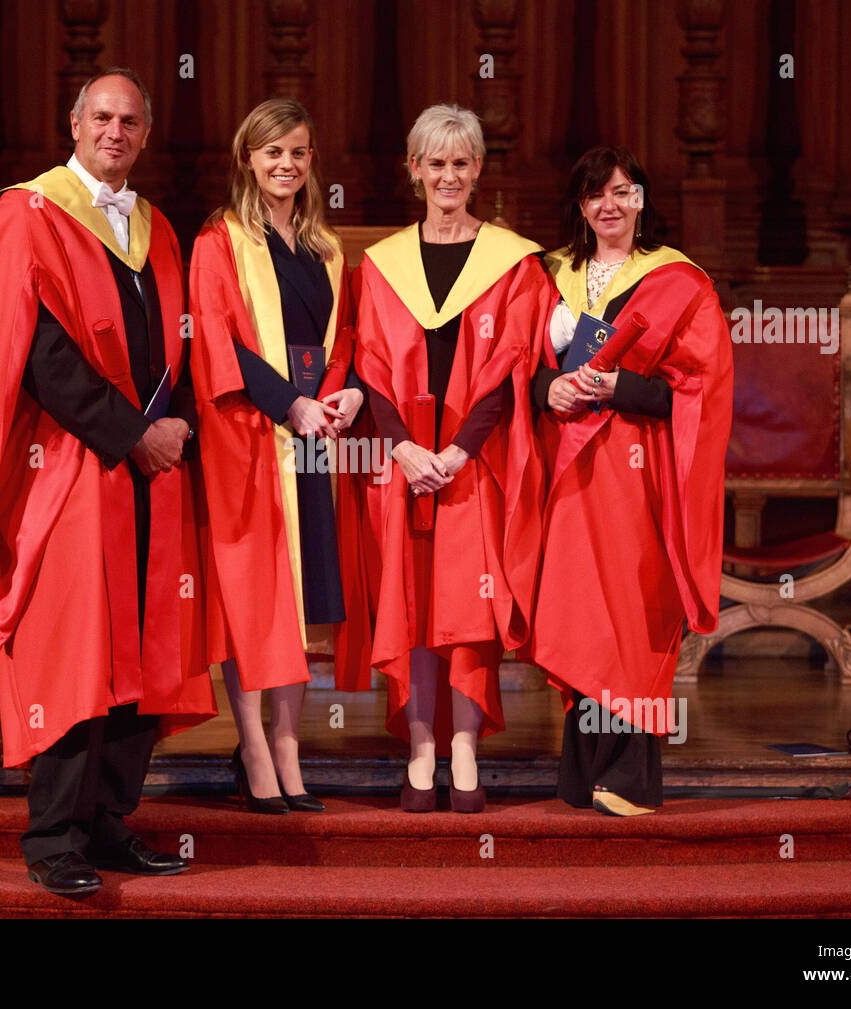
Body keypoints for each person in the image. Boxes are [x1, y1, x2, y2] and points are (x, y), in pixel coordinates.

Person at [0, 67, 217, 895]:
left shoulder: (156, 228)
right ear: (73, 124)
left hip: (149, 469)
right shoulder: (25, 215)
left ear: (144, 134)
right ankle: (54, 838)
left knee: (140, 650)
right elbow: (35, 353)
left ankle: (110, 821)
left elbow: (178, 346)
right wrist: (129, 434)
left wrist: (172, 426)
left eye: (130, 121)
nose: (115, 131)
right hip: (73, 466)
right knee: (80, 649)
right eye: (101, 117)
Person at [354, 104, 549, 813]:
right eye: (435, 162)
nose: (448, 175)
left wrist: (460, 451)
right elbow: (370, 365)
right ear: (414, 170)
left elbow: (510, 372)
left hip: (473, 462)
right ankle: (420, 747)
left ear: (477, 170)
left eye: (461, 162)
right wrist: (404, 446)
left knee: (469, 604)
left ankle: (464, 743)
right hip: (405, 462)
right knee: (409, 603)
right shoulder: (382, 264)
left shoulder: (514, 262)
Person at [529, 145, 733, 816]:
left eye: (623, 191)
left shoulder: (680, 282)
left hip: (638, 466)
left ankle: (630, 775)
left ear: (643, 200)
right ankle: (584, 768)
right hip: (569, 466)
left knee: (630, 607)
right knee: (580, 607)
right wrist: (548, 388)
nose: (609, 205)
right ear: (580, 206)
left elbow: (698, 389)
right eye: (595, 194)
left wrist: (623, 386)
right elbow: (514, 366)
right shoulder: (547, 275)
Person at [189, 98, 373, 814]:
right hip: (253, 436)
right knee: (255, 595)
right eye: (272, 152)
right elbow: (218, 340)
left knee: (301, 597)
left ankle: (290, 743)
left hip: (314, 436)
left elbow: (347, 338)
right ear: (248, 158)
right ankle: (254, 747)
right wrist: (288, 404)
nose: (286, 164)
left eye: (297, 151)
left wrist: (344, 394)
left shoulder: (326, 247)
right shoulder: (221, 240)